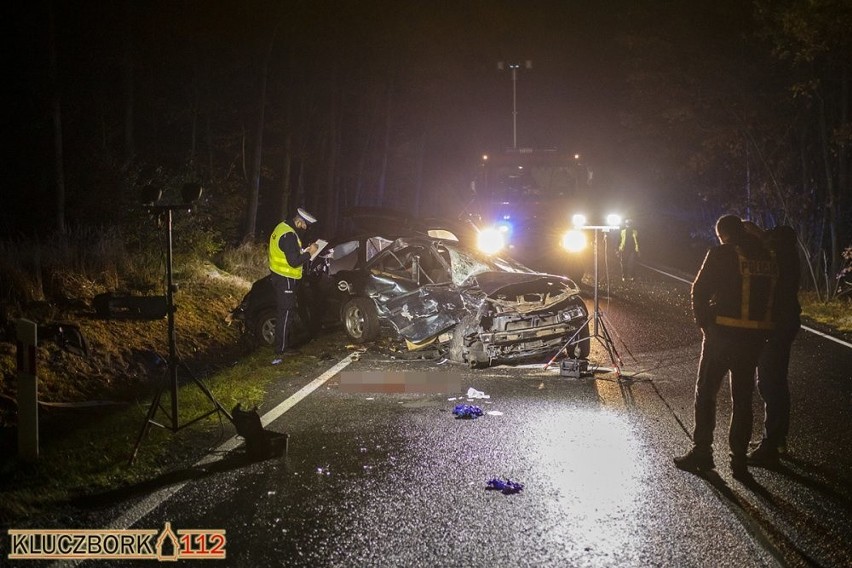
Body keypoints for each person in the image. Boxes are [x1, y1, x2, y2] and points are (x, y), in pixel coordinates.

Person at [674, 214, 778, 479]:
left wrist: (705, 325)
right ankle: (739, 460)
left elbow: (699, 291)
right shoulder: (767, 256)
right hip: (753, 340)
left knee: (706, 392)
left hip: (722, 335)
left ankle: (702, 452)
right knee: (742, 400)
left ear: (724, 235)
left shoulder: (720, 253)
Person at [749, 225, 801, 465]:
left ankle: (770, 446)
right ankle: (777, 440)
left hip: (776, 326)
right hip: (784, 324)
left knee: (770, 383)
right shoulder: (788, 256)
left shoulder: (779, 260)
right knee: (776, 382)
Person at [268, 208, 319, 365]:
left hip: (281, 277)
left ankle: (283, 346)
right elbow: (294, 261)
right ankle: (281, 349)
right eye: (304, 226)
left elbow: (289, 254)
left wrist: (303, 251)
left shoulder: (282, 227)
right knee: (286, 312)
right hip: (286, 279)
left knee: (286, 311)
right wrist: (310, 253)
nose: (305, 229)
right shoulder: (289, 235)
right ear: (299, 221)